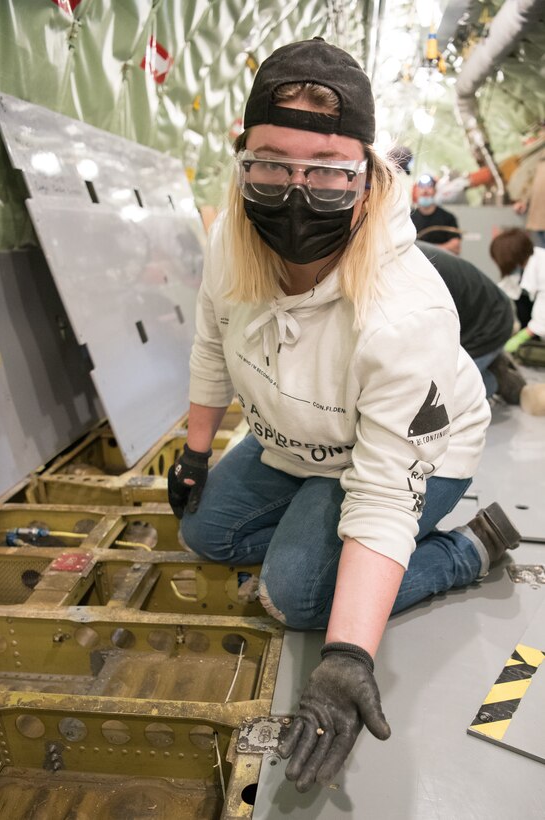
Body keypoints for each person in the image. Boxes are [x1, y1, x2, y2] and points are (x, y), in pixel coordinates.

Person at [168, 39, 520, 793]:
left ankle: (466, 552)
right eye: (270, 163)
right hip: (294, 442)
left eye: (326, 168)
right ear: (243, 161)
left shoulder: (405, 311)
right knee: (204, 533)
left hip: (399, 456)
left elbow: (387, 489)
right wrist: (195, 453)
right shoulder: (233, 243)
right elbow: (209, 348)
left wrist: (348, 656)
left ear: (365, 176)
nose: (296, 192)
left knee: (295, 596)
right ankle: (313, 519)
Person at [417, 241, 525, 403]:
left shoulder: (408, 266)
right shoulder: (404, 250)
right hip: (474, 315)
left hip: (492, 322)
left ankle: (495, 379)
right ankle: (488, 364)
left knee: (436, 403)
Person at [411, 174, 462, 255]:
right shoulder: (409, 217)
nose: (425, 190)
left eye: (429, 187)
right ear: (416, 191)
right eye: (421, 187)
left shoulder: (447, 218)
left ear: (435, 191)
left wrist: (428, 251)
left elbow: (455, 247)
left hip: (440, 265)